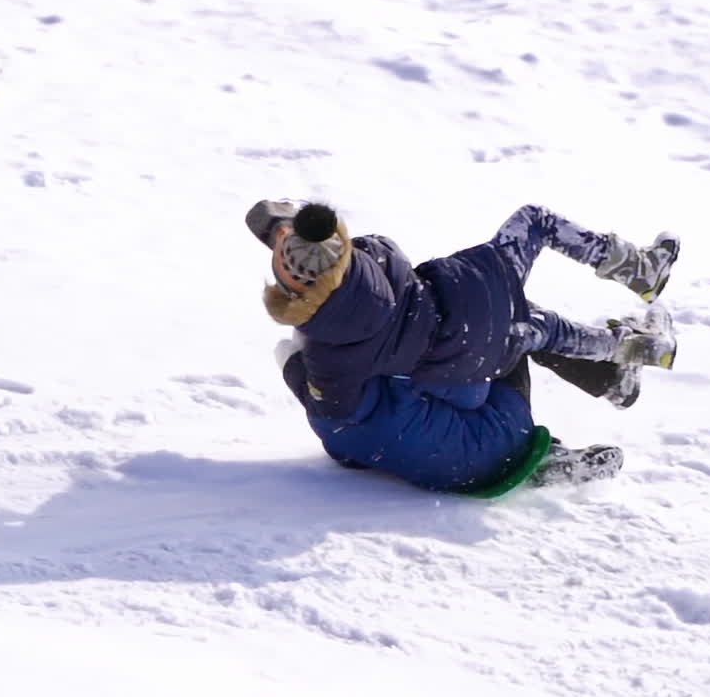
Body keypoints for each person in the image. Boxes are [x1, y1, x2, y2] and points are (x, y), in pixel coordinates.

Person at [247, 201, 679, 494]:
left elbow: (334, 406)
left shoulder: (334, 353)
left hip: (472, 359)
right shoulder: (374, 257)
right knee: (533, 232)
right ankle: (638, 273)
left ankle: (624, 354)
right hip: (471, 303)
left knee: (535, 328)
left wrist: (295, 370)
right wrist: (277, 221)